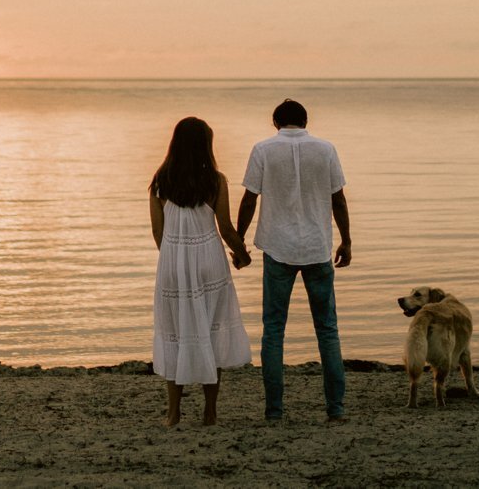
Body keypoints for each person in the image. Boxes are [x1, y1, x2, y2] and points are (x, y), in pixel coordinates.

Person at [236, 98, 352, 422]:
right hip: (317, 247)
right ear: (305, 121)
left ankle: (274, 411)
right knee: (327, 330)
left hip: (277, 248)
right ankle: (336, 409)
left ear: (276, 122)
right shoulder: (326, 149)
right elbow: (338, 199)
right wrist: (347, 239)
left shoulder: (263, 149)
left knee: (273, 331)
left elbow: (249, 199)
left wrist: (239, 241)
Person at [149, 116, 252, 427]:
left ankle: (173, 413)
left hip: (172, 263)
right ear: (206, 145)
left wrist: (174, 257)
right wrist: (242, 254)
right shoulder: (215, 181)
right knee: (211, 331)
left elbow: (158, 233)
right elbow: (226, 228)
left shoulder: (160, 181)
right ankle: (210, 412)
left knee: (174, 333)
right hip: (209, 262)